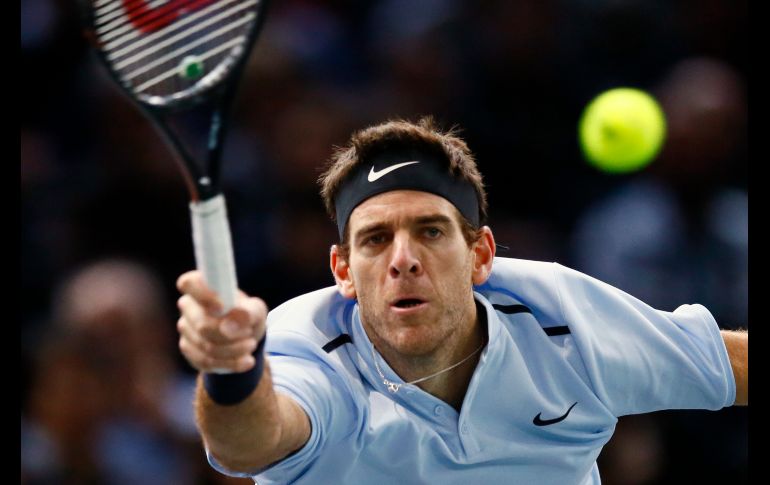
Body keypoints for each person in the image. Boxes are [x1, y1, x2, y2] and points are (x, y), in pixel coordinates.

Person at [176, 118, 747, 484]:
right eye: (376, 239)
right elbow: (249, 444)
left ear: (481, 255)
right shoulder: (308, 347)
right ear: (343, 272)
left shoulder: (563, 320)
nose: (403, 258)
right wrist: (230, 370)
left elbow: (732, 366)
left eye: (430, 230)